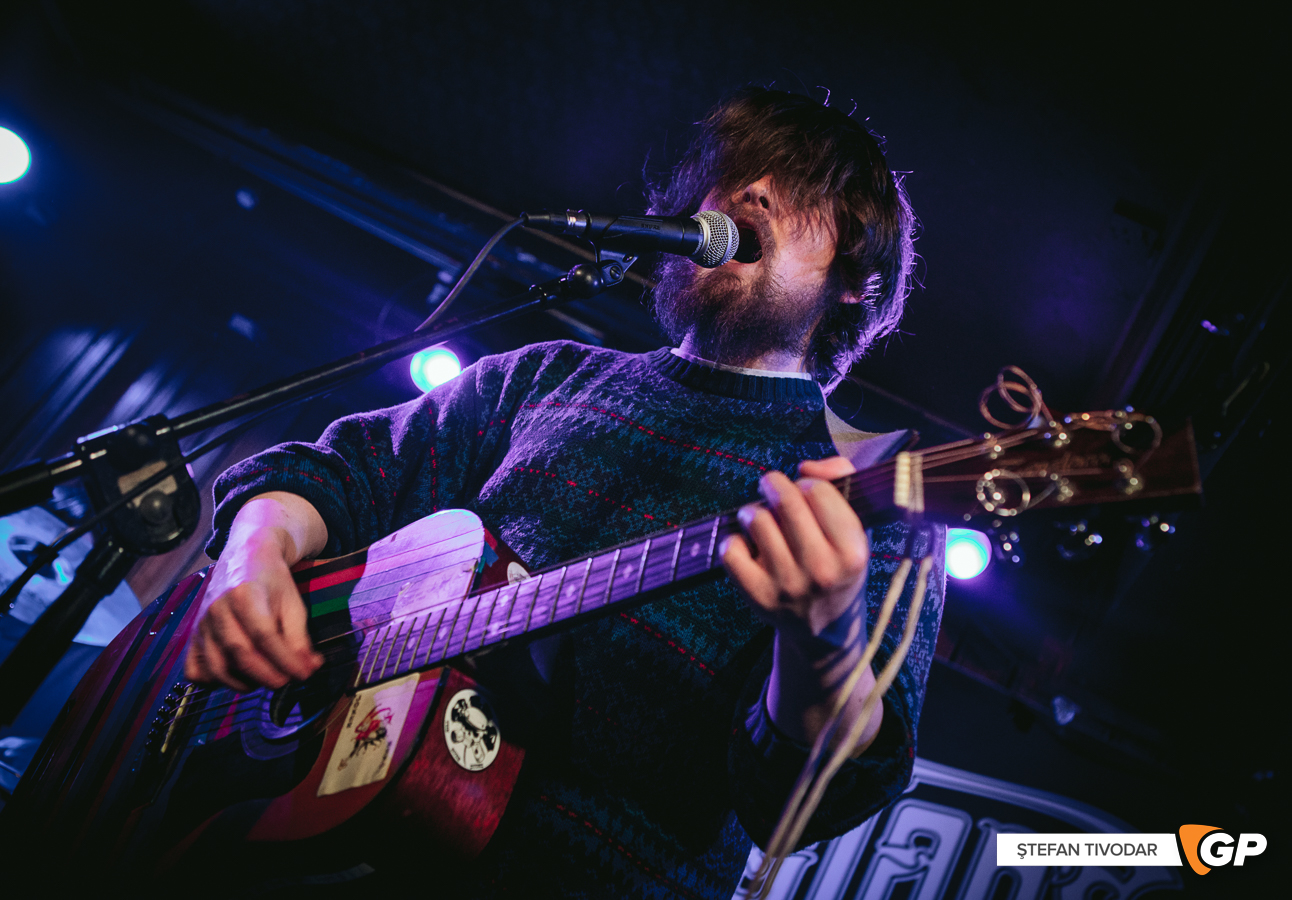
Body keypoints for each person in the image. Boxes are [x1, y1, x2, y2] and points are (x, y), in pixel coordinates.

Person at [186, 87, 944, 898]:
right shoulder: (547, 374)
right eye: (740, 173)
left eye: (800, 190)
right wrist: (251, 555)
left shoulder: (872, 498)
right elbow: (334, 472)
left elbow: (799, 805)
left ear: (857, 280)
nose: (750, 192)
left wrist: (823, 637)